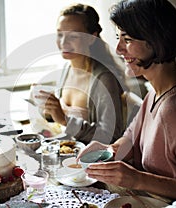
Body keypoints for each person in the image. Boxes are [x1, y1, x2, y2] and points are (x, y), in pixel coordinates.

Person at [76, 0, 176, 207]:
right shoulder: (160, 86)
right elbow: (132, 135)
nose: (118, 48)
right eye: (118, 38)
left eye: (128, 39)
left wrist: (138, 178)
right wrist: (109, 150)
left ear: (156, 41)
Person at [35, 3, 126, 144]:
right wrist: (48, 108)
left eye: (73, 36)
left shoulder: (104, 80)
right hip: (66, 152)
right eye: (60, 34)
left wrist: (65, 120)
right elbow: (60, 120)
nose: (63, 42)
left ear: (91, 38)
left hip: (89, 161)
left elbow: (111, 136)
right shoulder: (66, 69)